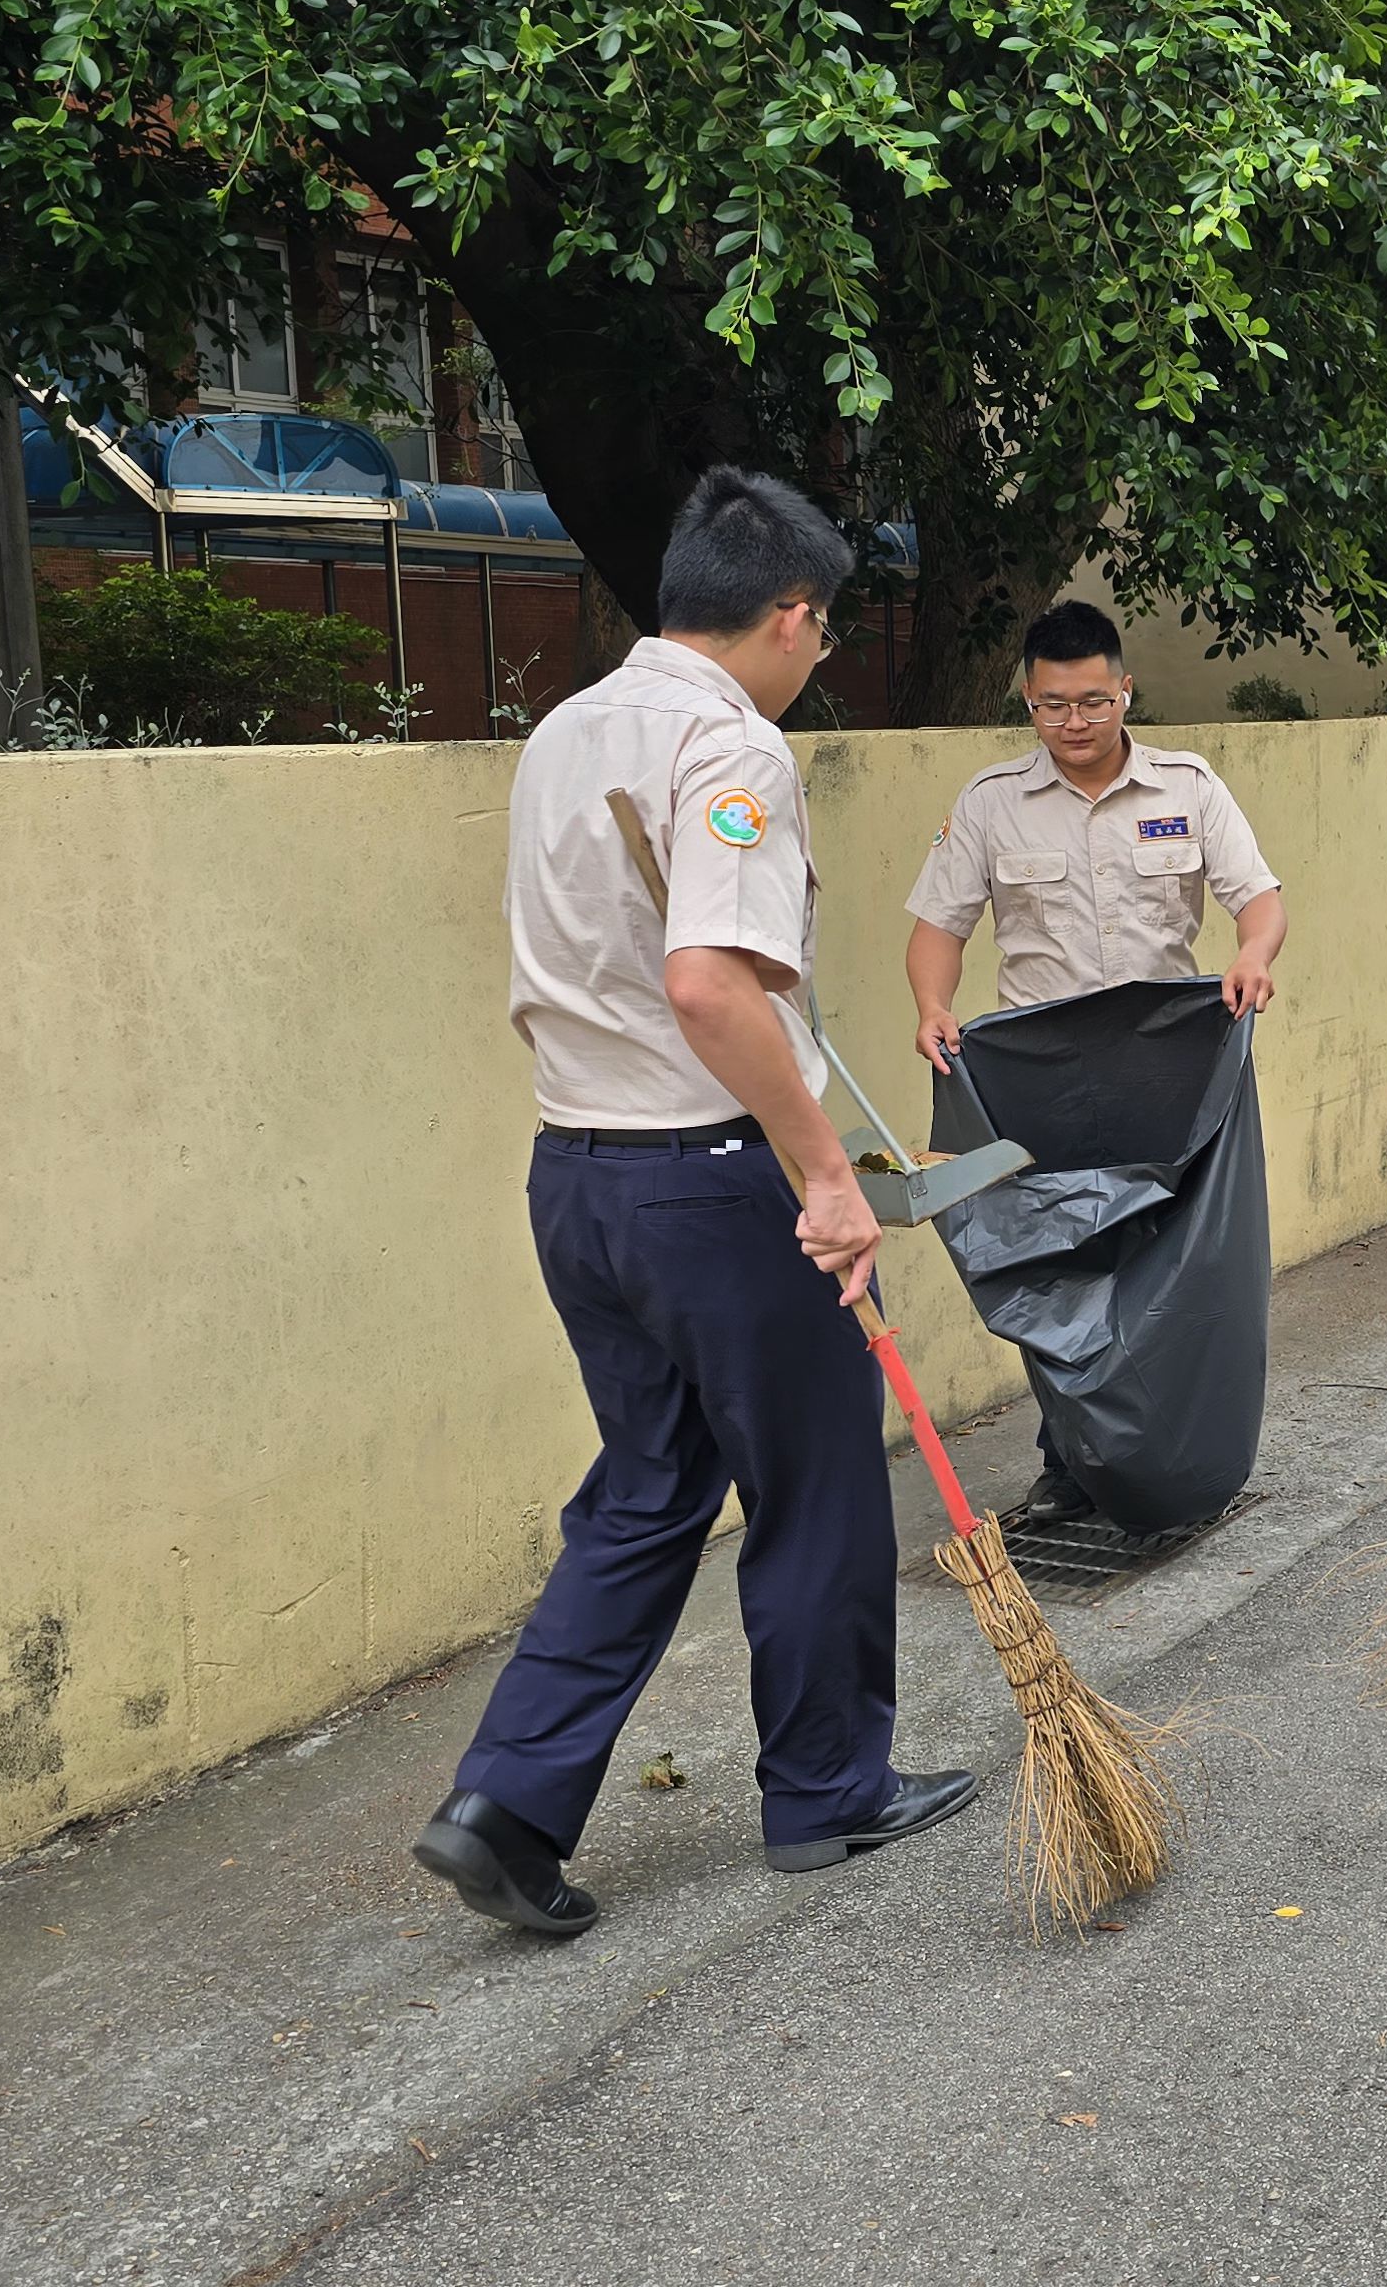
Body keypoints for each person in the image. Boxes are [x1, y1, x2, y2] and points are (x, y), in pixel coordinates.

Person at [415, 468, 979, 1939]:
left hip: (579, 1175)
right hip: (708, 1182)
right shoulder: (730, 752)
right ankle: (829, 1793)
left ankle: (505, 1806)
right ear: (791, 616)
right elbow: (709, 984)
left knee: (649, 1486)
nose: (822, 654)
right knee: (813, 1487)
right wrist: (823, 1176)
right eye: (828, 629)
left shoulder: (566, 731)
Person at [904, 599, 1287, 1530]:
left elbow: (1259, 897)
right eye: (1050, 705)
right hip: (1046, 1073)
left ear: (1125, 692)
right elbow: (937, 929)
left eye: (1091, 701)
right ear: (1027, 703)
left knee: (1169, 1265)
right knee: (1060, 1263)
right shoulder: (993, 804)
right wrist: (932, 1008)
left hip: (1169, 1067)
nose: (1074, 723)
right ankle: (1068, 1465)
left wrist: (1252, 957)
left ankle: (1170, 1450)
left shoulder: (1188, 788)